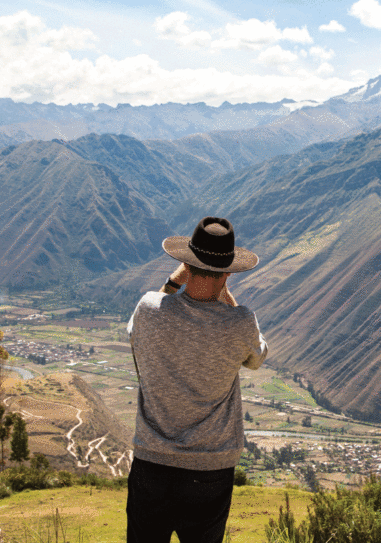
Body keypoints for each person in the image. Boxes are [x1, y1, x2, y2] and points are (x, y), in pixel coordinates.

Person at [126, 216, 268, 543]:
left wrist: (174, 284)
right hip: (210, 471)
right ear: (228, 273)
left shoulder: (148, 309)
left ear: (184, 265)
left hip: (152, 464)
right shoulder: (241, 322)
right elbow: (257, 358)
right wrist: (225, 294)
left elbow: (138, 333)